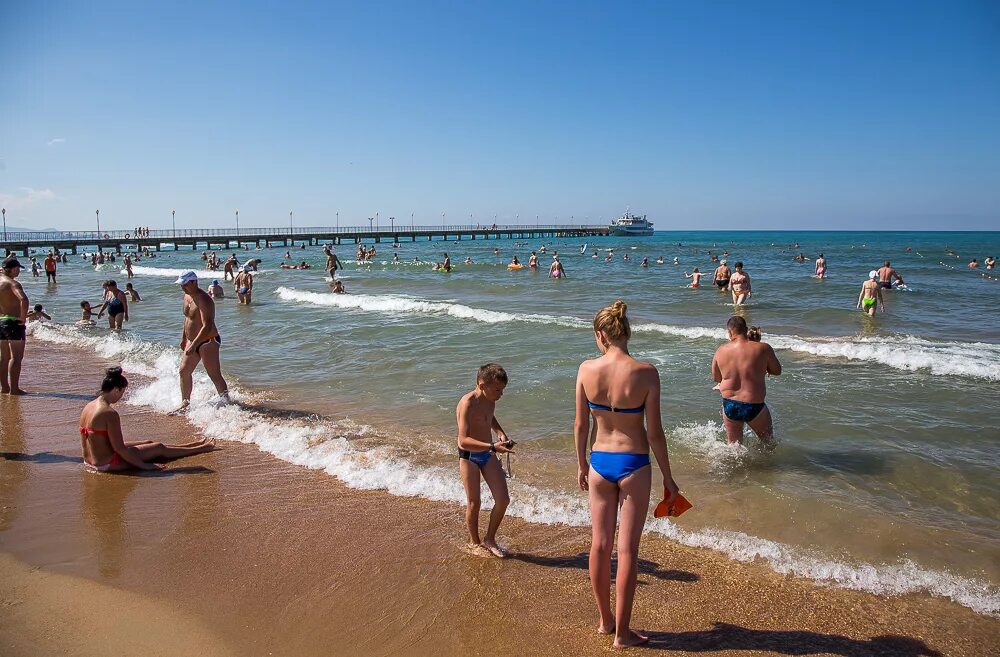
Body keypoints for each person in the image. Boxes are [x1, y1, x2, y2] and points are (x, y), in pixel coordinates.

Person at [574, 300, 679, 648]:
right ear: (625, 333)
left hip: (600, 462)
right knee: (628, 551)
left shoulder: (586, 370)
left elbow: (579, 424)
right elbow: (655, 433)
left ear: (601, 335)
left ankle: (604, 621)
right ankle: (622, 633)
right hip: (634, 464)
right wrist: (668, 476)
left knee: (599, 544)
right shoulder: (646, 372)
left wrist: (580, 464)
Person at [80, 366, 215, 472]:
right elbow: (120, 449)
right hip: (107, 464)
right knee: (158, 447)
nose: (121, 396)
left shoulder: (89, 406)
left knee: (148, 442)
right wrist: (144, 466)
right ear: (116, 389)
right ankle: (201, 448)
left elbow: (106, 443)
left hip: (91, 461)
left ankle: (190, 445)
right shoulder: (109, 413)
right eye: (122, 392)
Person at [456, 363, 514, 558]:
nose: (501, 394)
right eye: (498, 389)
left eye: (502, 390)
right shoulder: (468, 403)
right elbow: (463, 439)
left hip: (488, 452)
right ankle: (475, 542)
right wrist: (491, 447)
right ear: (482, 385)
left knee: (503, 499)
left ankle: (490, 539)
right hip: (470, 456)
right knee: (474, 502)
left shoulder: (490, 399)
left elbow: (489, 417)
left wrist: (500, 433)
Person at [711, 316, 781, 446]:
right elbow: (777, 370)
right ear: (746, 330)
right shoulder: (763, 348)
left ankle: (733, 466)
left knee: (733, 447)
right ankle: (767, 466)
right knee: (768, 444)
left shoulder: (720, 350)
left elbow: (716, 378)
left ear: (729, 332)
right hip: (754, 406)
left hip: (730, 405)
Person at [174, 271, 229, 413]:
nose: (183, 287)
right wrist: (184, 338)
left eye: (185, 284)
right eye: (181, 285)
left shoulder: (204, 299)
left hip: (207, 341)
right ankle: (185, 404)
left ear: (194, 282)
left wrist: (194, 344)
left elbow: (207, 326)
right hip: (192, 341)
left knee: (214, 374)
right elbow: (187, 319)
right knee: (183, 371)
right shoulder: (187, 296)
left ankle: (227, 402)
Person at [0, 257, 29, 395]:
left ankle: (4, 387)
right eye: (18, 269)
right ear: (13, 269)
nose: (19, 272)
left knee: (4, 358)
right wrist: (23, 318)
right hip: (13, 323)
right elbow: (23, 299)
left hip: (1, 321)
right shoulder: (13, 284)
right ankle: (15, 389)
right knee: (16, 358)